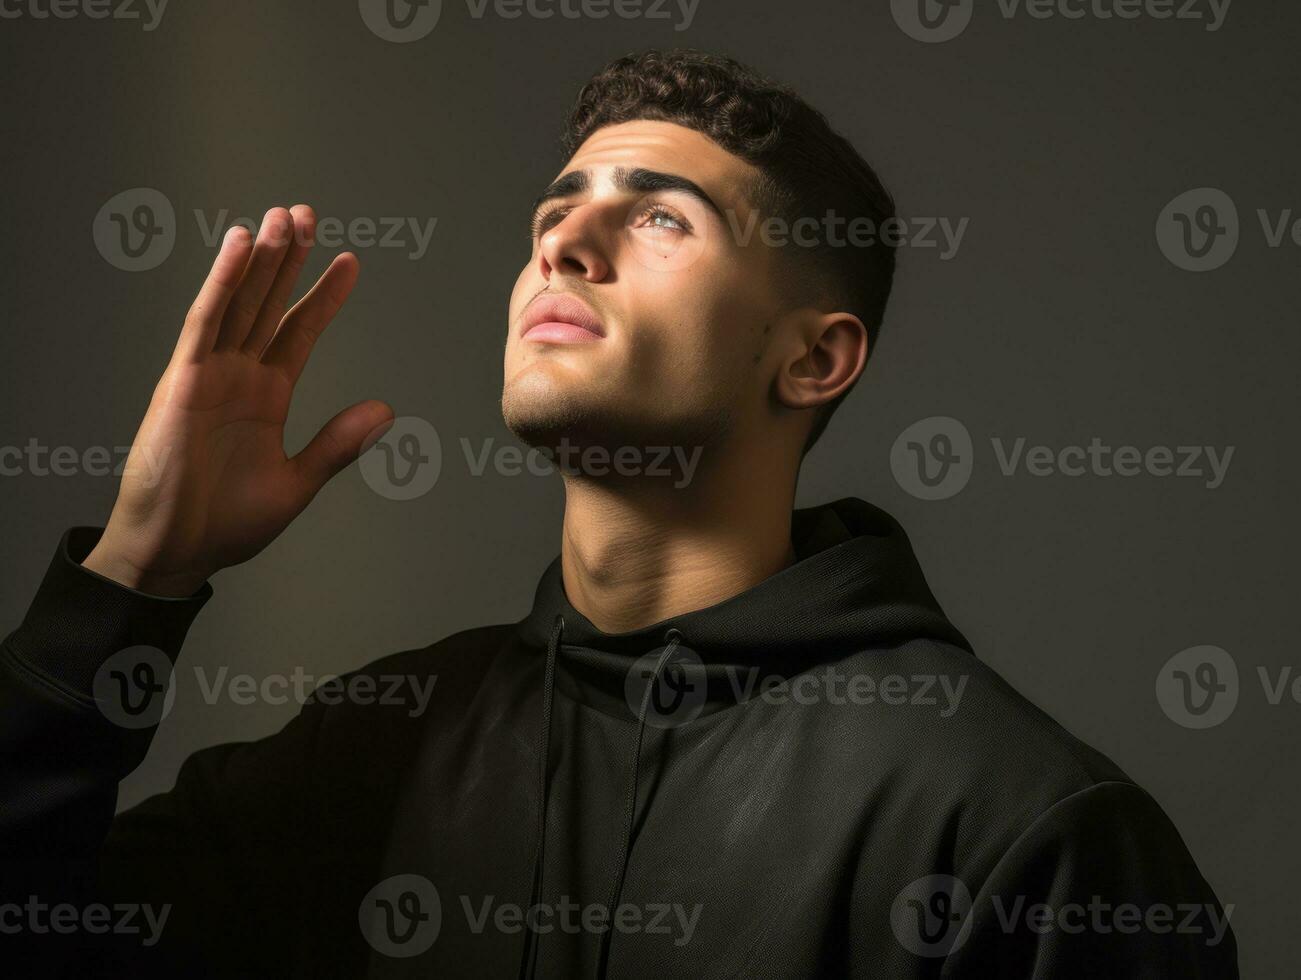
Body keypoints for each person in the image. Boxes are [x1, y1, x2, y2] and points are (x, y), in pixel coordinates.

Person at [0, 50, 1237, 978]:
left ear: (813, 358)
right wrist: (130, 579)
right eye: (554, 212)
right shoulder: (375, 753)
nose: (564, 241)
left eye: (658, 217)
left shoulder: (1016, 823)